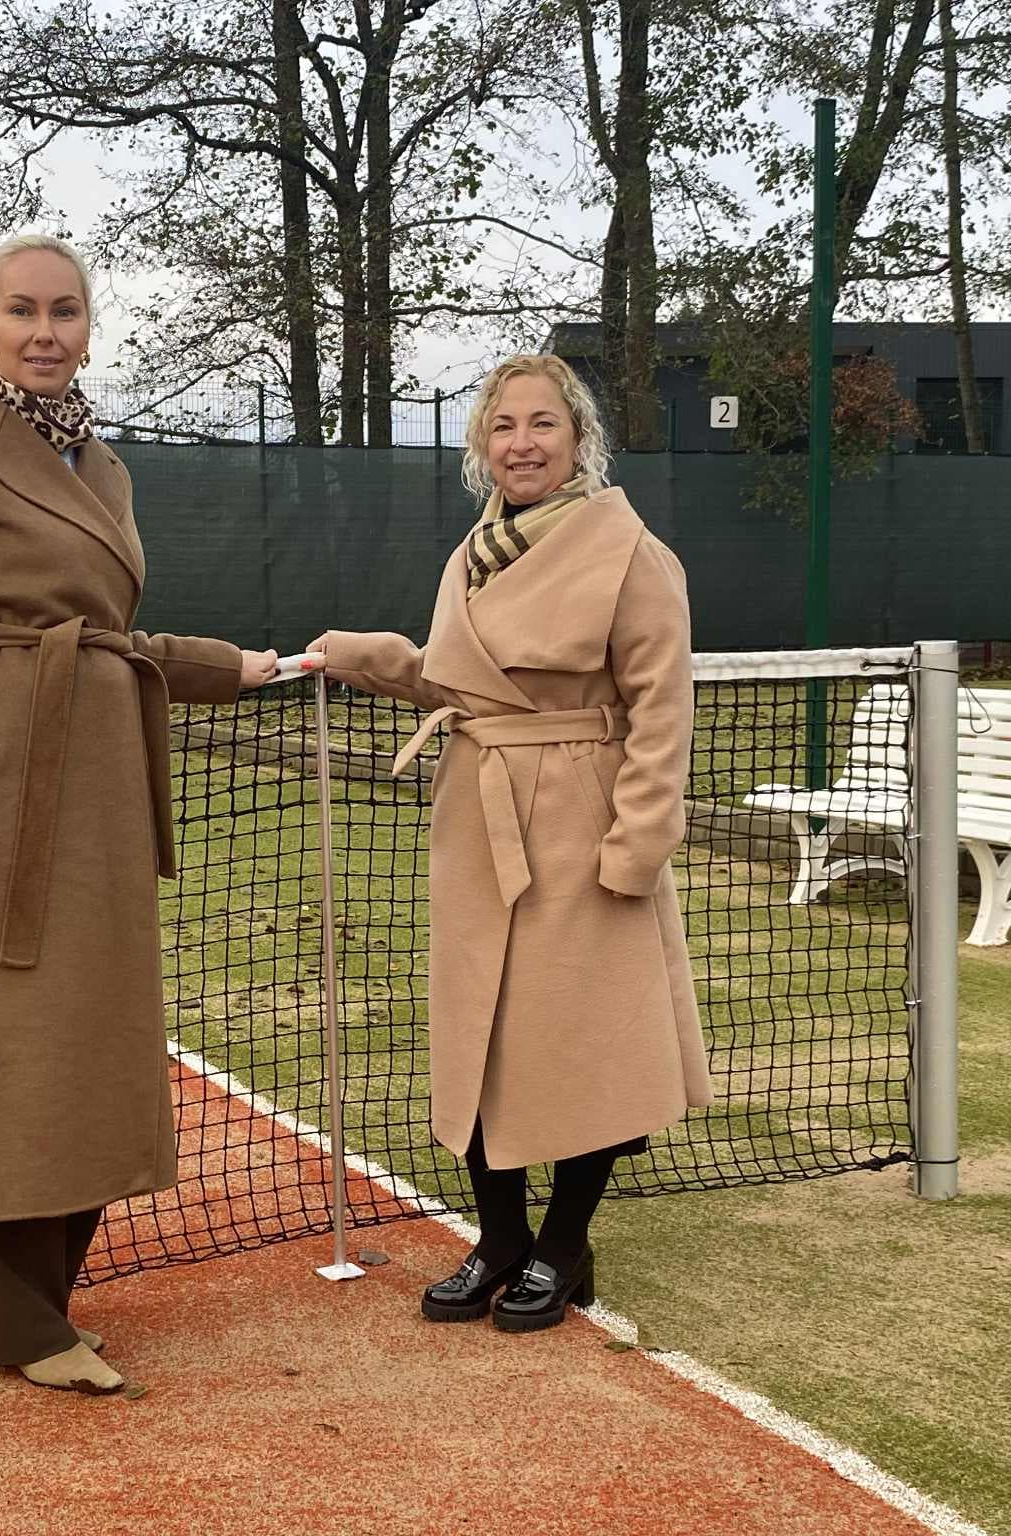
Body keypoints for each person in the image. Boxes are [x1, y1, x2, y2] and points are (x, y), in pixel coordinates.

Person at [0, 232, 278, 1394]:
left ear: (88, 325)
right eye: (21, 312)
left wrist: (222, 666)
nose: (44, 331)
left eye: (64, 311)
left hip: (100, 780)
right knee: (6, 1042)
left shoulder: (104, 467)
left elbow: (109, 635)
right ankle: (16, 1317)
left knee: (89, 1037)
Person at [308, 354, 711, 1332]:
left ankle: (564, 1247)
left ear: (578, 440)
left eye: (541, 425)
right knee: (480, 1034)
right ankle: (499, 1240)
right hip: (474, 818)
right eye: (502, 427)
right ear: (479, 447)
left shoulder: (630, 553)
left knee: (578, 1042)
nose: (520, 444)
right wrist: (373, 661)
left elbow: (661, 710)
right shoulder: (472, 552)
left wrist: (637, 844)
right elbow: (463, 684)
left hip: (580, 820)